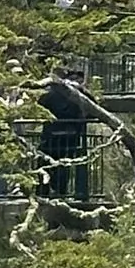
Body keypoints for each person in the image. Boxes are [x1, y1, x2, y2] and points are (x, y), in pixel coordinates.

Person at [37, 65, 98, 203]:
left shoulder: (50, 92)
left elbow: (39, 105)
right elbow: (95, 106)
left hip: (51, 135)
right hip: (72, 135)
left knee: (45, 162)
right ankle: (60, 193)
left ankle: (43, 192)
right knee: (64, 165)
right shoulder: (79, 93)